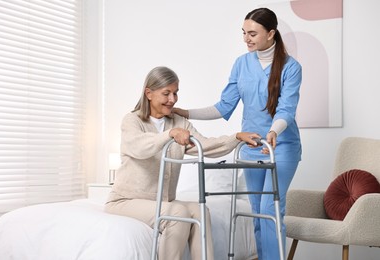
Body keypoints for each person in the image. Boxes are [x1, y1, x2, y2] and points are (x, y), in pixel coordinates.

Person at [173, 7, 302, 260]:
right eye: (244, 33)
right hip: (251, 148)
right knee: (255, 210)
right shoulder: (241, 64)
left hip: (282, 146)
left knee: (270, 209)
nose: (246, 38)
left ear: (271, 33)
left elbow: (286, 109)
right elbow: (223, 107)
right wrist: (186, 112)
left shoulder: (291, 67)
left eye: (253, 33)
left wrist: (273, 133)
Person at [105, 66, 261, 260]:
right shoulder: (132, 120)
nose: (172, 99)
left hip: (162, 201)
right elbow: (139, 147)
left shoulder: (178, 122)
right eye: (166, 93)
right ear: (149, 93)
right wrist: (168, 135)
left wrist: (235, 137)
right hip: (125, 200)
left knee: (200, 211)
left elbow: (205, 146)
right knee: (177, 213)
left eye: (175, 93)